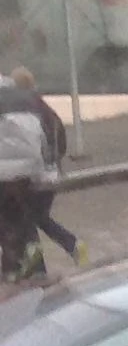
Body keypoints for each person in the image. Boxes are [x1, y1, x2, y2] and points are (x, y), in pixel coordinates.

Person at [0, 70, 75, 284]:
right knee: (24, 218)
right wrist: (52, 164)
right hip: (33, 171)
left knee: (15, 220)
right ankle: (30, 267)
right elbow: (56, 133)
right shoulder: (34, 102)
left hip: (12, 173)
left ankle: (21, 269)